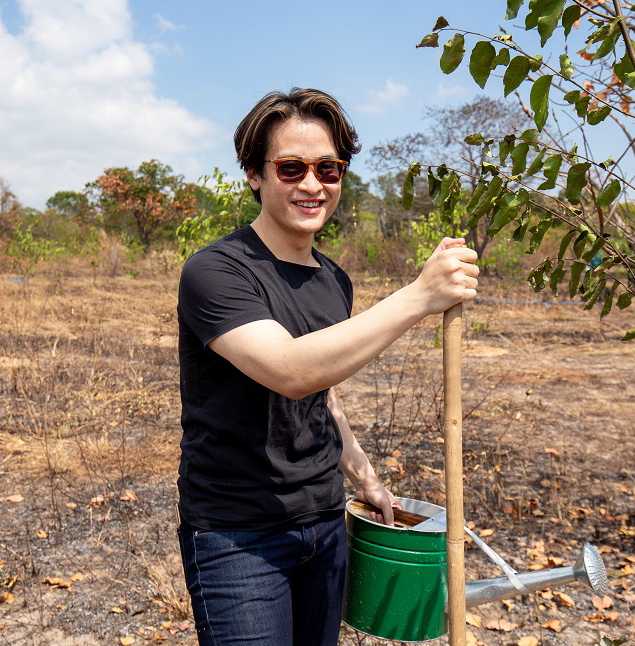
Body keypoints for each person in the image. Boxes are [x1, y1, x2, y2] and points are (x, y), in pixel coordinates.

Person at [176, 87, 479, 646]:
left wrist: (364, 479)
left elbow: (322, 398)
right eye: (291, 168)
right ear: (253, 175)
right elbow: (291, 371)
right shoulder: (216, 272)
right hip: (237, 536)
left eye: (329, 168)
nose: (312, 184)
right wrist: (416, 298)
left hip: (324, 522)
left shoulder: (334, 280)